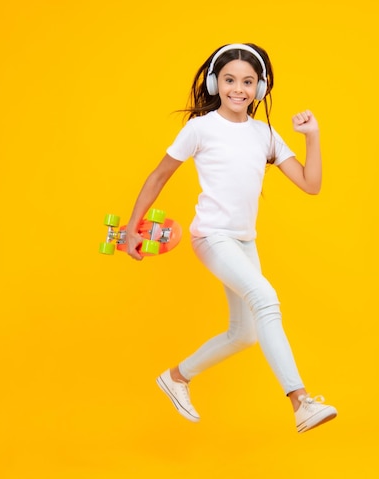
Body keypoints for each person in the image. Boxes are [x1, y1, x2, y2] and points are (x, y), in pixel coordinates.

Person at [125, 43, 337, 433]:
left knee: (245, 334)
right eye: (229, 80)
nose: (237, 88)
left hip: (243, 241)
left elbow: (311, 184)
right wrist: (130, 230)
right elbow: (158, 176)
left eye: (247, 81)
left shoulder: (265, 135)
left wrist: (312, 136)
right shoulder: (200, 128)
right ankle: (301, 401)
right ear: (214, 83)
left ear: (260, 88)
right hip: (211, 236)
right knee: (265, 297)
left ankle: (176, 377)